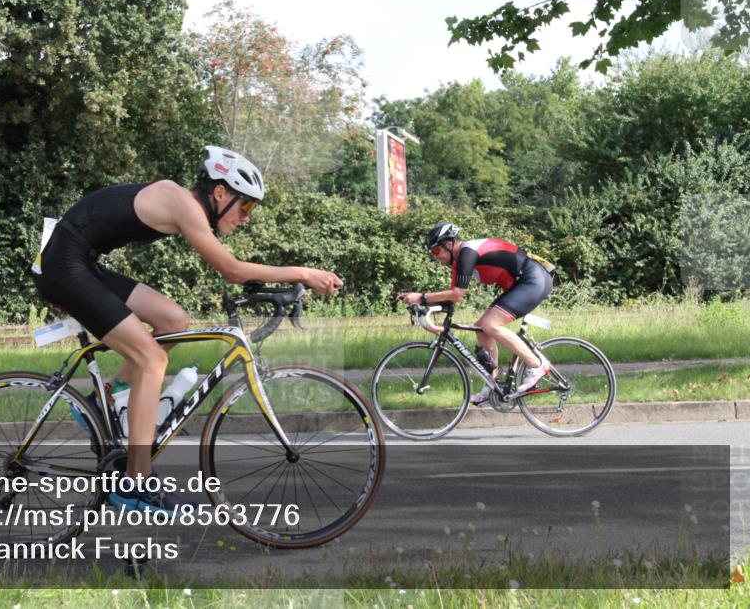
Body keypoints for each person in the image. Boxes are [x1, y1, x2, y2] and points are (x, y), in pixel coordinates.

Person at [32, 146, 343, 511]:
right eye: (245, 206)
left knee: (173, 321)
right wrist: (304, 273)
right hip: (64, 267)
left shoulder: (181, 203)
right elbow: (232, 269)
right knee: (152, 361)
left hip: (79, 262)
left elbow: (234, 272)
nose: (246, 217)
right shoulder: (181, 203)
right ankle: (135, 482)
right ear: (220, 192)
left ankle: (105, 400)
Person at [398, 222, 553, 405]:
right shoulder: (458, 262)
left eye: (436, 251)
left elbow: (457, 294)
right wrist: (422, 305)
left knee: (490, 324)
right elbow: (452, 298)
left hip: (533, 279)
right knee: (481, 328)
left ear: (449, 244)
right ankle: (492, 386)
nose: (436, 256)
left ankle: (536, 365)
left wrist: (421, 297)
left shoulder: (467, 252)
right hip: (520, 284)